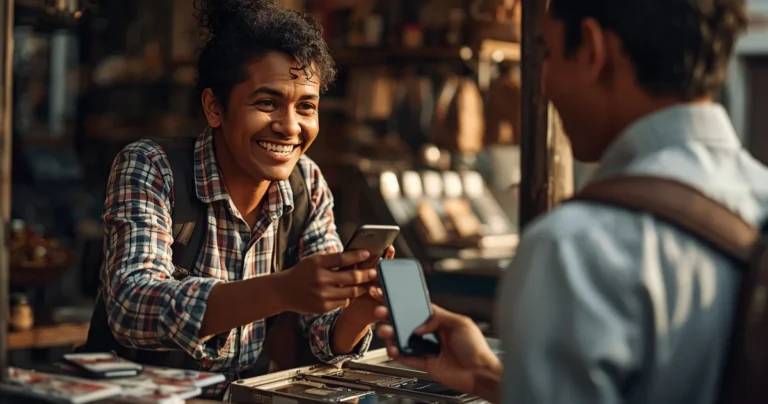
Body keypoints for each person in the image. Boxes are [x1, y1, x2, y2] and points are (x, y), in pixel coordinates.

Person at [376, 1, 761, 403]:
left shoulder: (574, 248)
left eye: (548, 54)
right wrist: (487, 376)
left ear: (593, 50)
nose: (543, 84)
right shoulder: (759, 197)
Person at [89, 0, 390, 397]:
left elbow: (322, 332)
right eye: (267, 103)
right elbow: (131, 307)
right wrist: (282, 290)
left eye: (306, 107)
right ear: (215, 107)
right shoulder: (151, 166)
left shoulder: (306, 183)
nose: (289, 127)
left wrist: (358, 312)